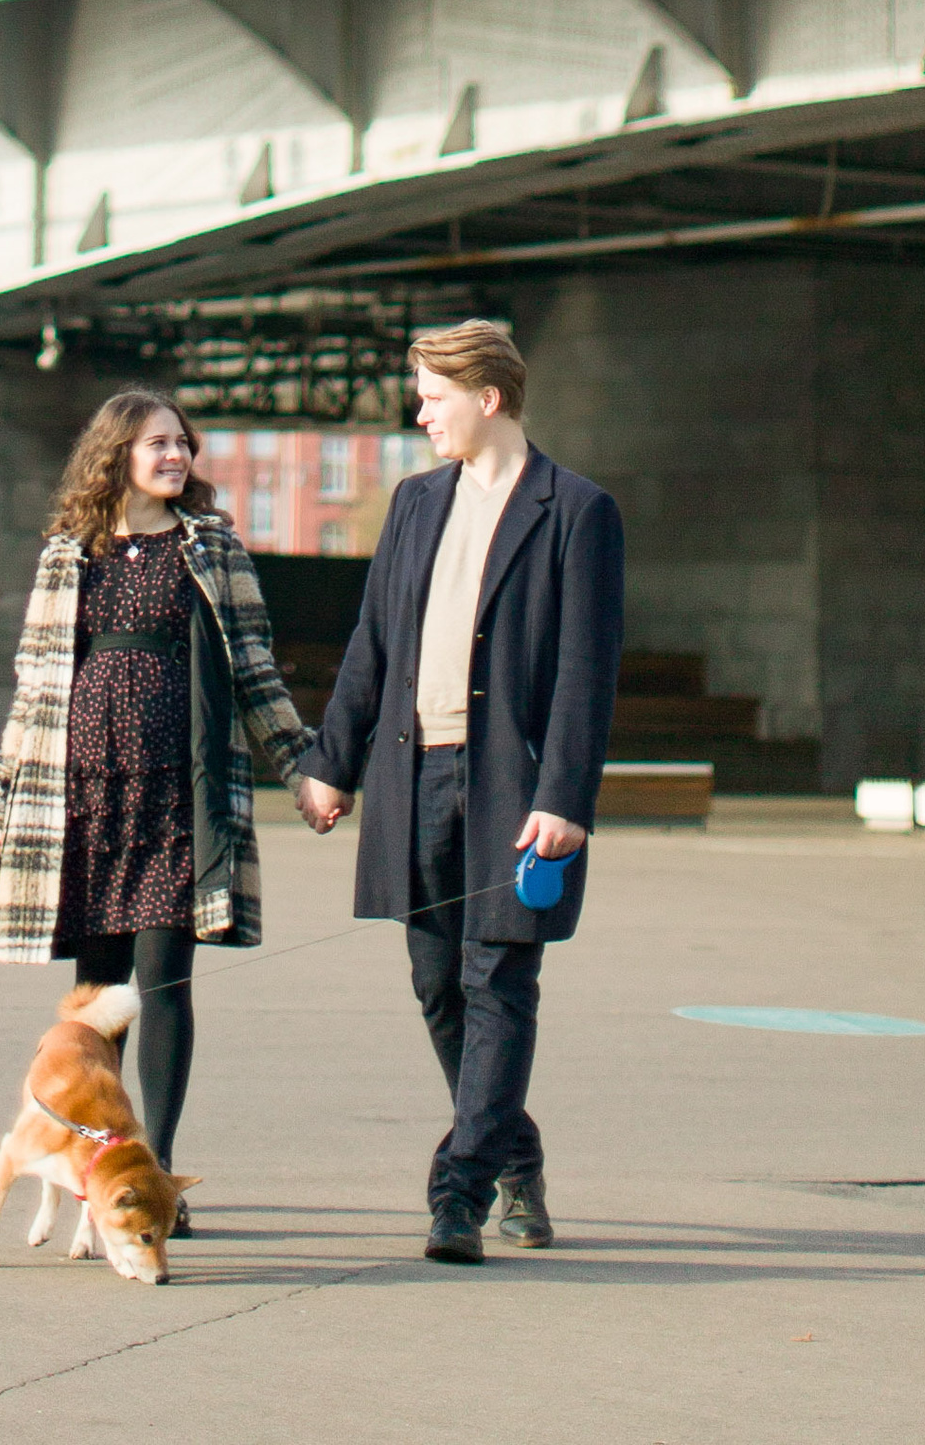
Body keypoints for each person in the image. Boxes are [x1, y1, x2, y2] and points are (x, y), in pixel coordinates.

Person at [0, 391, 337, 1203]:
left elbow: (255, 673)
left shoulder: (212, 547)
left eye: (183, 444)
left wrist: (303, 769)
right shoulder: (70, 552)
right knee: (98, 1003)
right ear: (117, 455)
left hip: (178, 797)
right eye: (158, 444)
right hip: (83, 799)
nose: (176, 457)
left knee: (164, 985)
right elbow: (33, 691)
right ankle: (103, 1167)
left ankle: (153, 1171)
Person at [299, 320, 622, 1267]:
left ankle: (460, 1190)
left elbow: (585, 673)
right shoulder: (412, 504)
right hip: (413, 773)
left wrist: (566, 796)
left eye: (434, 397)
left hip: (513, 790)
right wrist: (332, 758)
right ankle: (514, 1152)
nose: (420, 413)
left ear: (488, 398)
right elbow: (374, 642)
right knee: (438, 985)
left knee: (498, 983)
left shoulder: (576, 510)